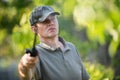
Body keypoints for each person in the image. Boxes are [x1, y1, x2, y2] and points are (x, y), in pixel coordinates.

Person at [18, 5, 90, 80]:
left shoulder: (71, 47)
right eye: (45, 21)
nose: (51, 23)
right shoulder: (36, 56)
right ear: (34, 29)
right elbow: (25, 76)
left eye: (53, 18)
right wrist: (24, 64)